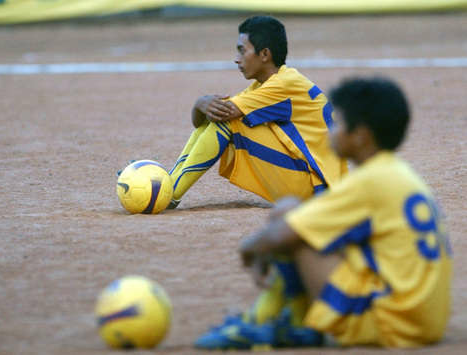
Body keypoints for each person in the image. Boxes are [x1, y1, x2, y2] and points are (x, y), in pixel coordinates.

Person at [195, 77, 452, 350]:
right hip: (425, 320)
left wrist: (250, 248)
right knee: (294, 215)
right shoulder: (398, 173)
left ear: (362, 135)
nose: (331, 131)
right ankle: (287, 317)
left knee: (291, 227)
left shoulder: (370, 181)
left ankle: (272, 322)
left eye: (338, 123)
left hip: (390, 324)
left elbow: (284, 234)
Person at [168, 15, 346, 209]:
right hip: (312, 180)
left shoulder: (283, 84)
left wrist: (201, 103)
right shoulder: (268, 84)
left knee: (228, 121)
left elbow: (221, 116)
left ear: (264, 54)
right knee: (225, 118)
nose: (237, 59)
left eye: (242, 51)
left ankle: (170, 193)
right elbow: (205, 121)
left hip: (315, 187)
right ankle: (168, 186)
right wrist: (200, 105)